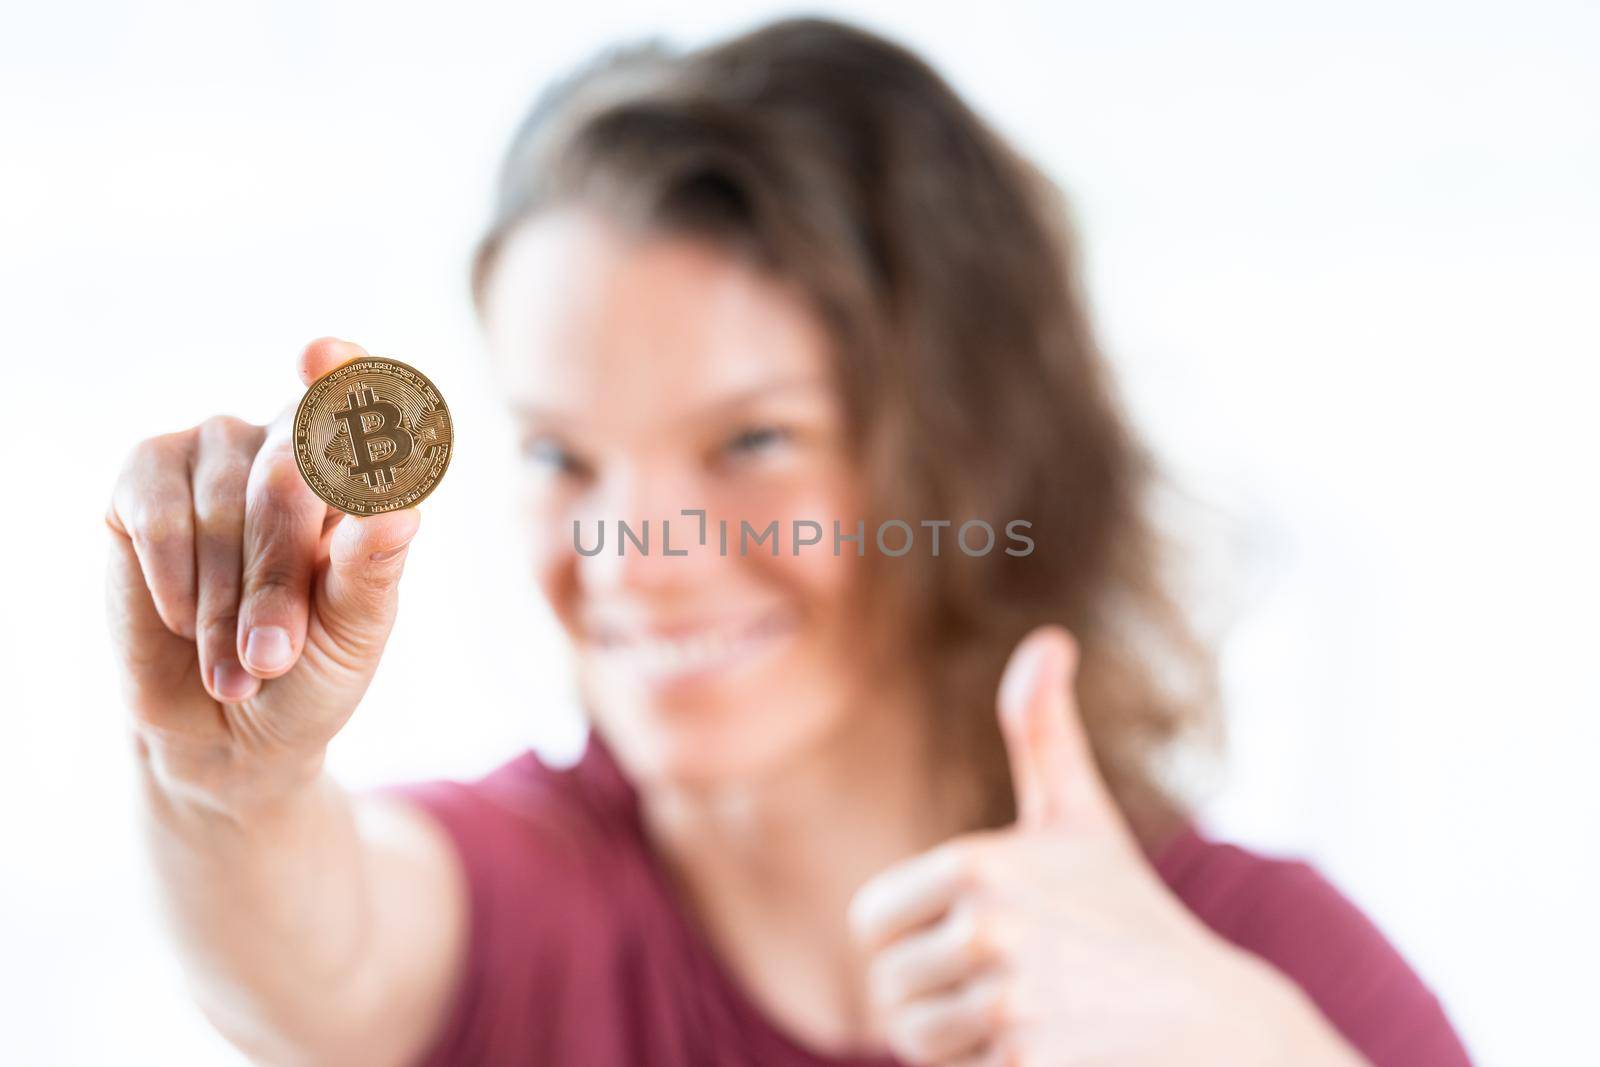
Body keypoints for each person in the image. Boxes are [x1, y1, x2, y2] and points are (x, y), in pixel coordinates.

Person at [103, 16, 1472, 1067]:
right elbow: (304, 948)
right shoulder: (523, 904)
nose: (634, 554)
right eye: (558, 453)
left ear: (964, 445)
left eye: (752, 442)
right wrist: (230, 787)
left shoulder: (1253, 973)